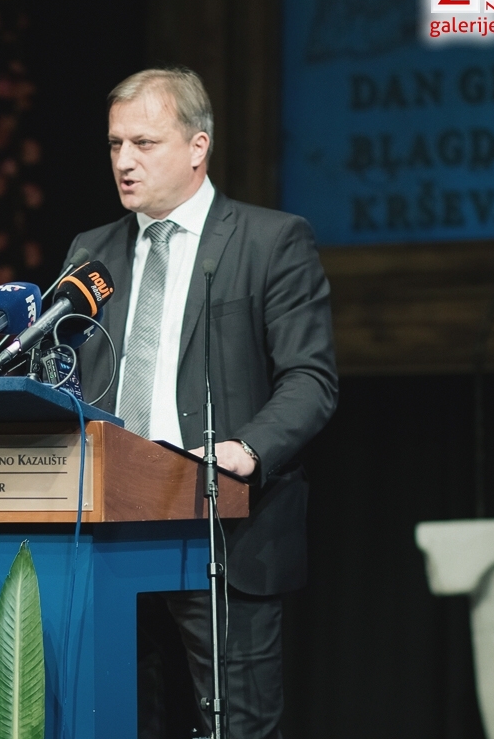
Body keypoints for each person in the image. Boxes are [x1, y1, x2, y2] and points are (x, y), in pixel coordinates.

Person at [64, 67, 338, 738]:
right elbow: (64, 375)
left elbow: (310, 378)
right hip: (108, 533)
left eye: (144, 143)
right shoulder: (92, 253)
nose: (124, 161)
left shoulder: (269, 241)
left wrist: (248, 447)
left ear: (197, 147)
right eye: (115, 144)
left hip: (224, 530)